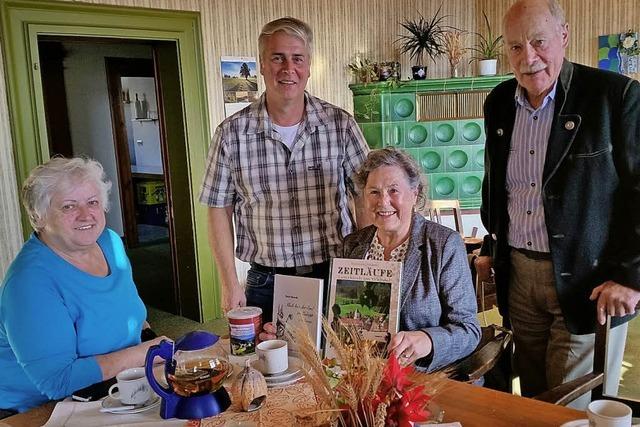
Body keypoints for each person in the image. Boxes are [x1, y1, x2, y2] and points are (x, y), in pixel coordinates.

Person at [477, 0, 640, 407]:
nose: (528, 58)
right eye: (515, 47)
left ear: (563, 36)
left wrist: (631, 276)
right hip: (518, 277)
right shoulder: (499, 102)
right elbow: (498, 185)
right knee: (532, 400)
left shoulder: (615, 97)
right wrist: (490, 247)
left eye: (538, 41)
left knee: (567, 406)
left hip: (589, 282)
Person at [199, 17, 369, 322]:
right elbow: (218, 209)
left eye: (297, 58)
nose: (288, 68)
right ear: (262, 64)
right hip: (266, 284)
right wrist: (228, 283)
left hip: (333, 273)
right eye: (278, 58)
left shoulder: (341, 125)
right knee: (268, 368)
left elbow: (366, 197)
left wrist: (368, 268)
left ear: (308, 66)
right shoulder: (231, 134)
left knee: (339, 366)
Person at [262, 148, 481, 371]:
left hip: (425, 379)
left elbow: (469, 330)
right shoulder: (353, 245)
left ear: (414, 194)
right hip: (362, 377)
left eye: (393, 190)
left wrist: (428, 340)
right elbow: (341, 322)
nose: (383, 202)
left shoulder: (444, 244)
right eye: (374, 192)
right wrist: (290, 331)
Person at [0, 157, 165, 413]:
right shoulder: (29, 283)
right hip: (41, 410)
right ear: (38, 215)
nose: (85, 214)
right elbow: (58, 381)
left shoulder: (110, 242)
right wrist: (148, 352)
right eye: (68, 206)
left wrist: (153, 347)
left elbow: (130, 313)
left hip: (114, 386)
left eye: (92, 202)